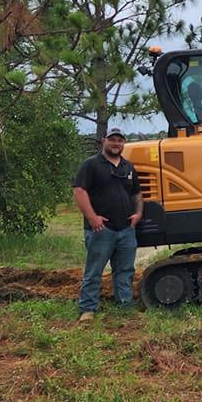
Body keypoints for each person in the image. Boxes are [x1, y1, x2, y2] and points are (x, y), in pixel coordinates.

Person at [72, 126, 143, 322]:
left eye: (120, 140)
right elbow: (79, 191)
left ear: (123, 144)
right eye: (112, 140)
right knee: (94, 271)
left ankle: (125, 307)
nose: (116, 143)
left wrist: (138, 213)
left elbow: (136, 193)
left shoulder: (127, 167)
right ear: (104, 141)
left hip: (126, 230)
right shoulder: (92, 165)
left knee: (125, 271)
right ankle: (88, 309)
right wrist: (92, 217)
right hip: (101, 230)